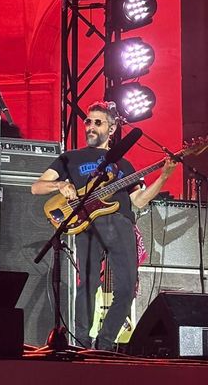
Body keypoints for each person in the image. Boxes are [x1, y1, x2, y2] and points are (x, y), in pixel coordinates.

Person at [30, 101, 177, 350]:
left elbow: (139, 200)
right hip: (87, 224)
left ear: (112, 128)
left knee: (127, 287)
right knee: (87, 284)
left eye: (97, 122)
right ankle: (82, 343)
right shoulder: (70, 158)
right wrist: (60, 185)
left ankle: (106, 342)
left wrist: (164, 176)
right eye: (88, 121)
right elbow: (36, 187)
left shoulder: (125, 166)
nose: (90, 126)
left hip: (120, 223)